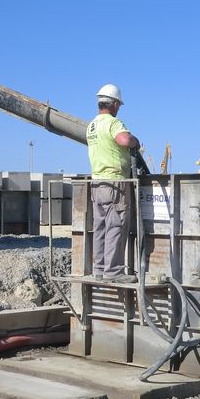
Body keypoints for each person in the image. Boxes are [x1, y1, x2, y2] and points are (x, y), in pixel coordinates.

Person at [87, 83, 140, 283]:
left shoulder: (91, 125)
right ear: (115, 104)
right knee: (116, 225)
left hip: (97, 183)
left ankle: (99, 269)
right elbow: (125, 141)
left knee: (100, 226)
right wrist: (136, 140)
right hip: (114, 182)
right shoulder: (112, 123)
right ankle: (114, 271)